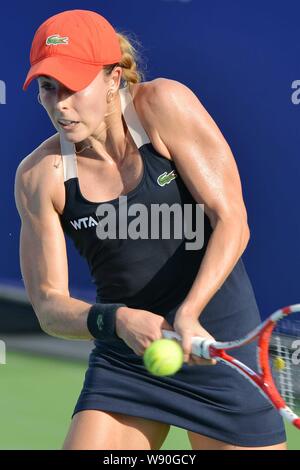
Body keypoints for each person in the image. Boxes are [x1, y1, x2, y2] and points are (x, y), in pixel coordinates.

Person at [15, 9, 287, 450]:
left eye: (72, 86)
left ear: (113, 79)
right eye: (48, 87)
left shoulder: (163, 105)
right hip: (126, 362)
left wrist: (190, 311)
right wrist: (117, 320)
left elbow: (232, 219)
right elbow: (49, 307)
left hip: (216, 348)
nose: (60, 103)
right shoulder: (39, 176)